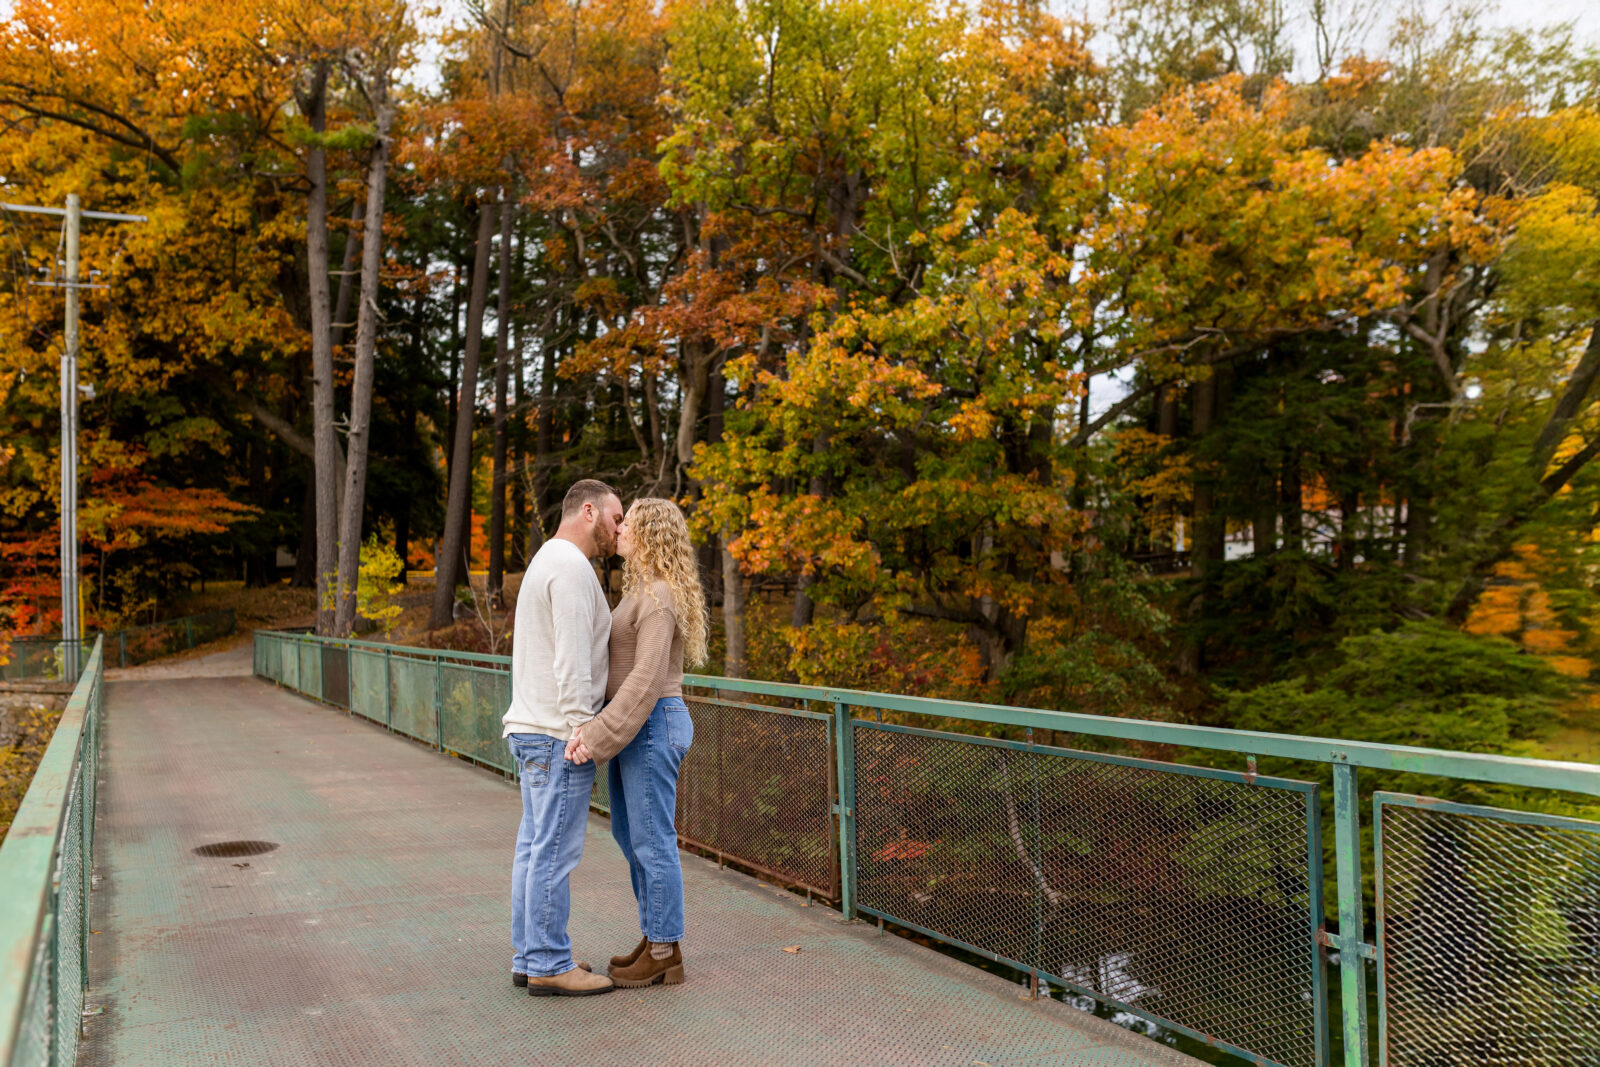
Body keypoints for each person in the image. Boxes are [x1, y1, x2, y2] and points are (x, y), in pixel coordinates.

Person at [565, 497, 708, 988]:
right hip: (635, 731)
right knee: (633, 838)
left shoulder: (660, 596)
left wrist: (595, 735)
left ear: (650, 535)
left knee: (652, 840)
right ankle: (655, 937)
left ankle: (666, 951)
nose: (618, 529)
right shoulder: (640, 592)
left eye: (629, 523)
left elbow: (647, 681)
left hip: (651, 725)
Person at [502, 479, 624, 997]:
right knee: (553, 851)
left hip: (533, 729)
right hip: (558, 734)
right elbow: (573, 661)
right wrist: (585, 730)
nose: (618, 532)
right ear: (589, 510)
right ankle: (550, 963)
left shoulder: (545, 560)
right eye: (616, 520)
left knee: (533, 848)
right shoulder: (573, 569)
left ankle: (530, 956)